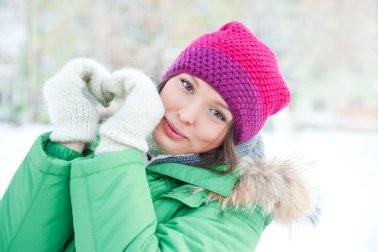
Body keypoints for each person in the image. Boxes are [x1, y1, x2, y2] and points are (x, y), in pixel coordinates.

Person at [0, 21, 319, 251]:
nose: (187, 114)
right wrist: (71, 139)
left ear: (234, 137)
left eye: (217, 113)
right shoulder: (98, 148)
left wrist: (119, 148)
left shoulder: (235, 212)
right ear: (167, 79)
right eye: (187, 86)